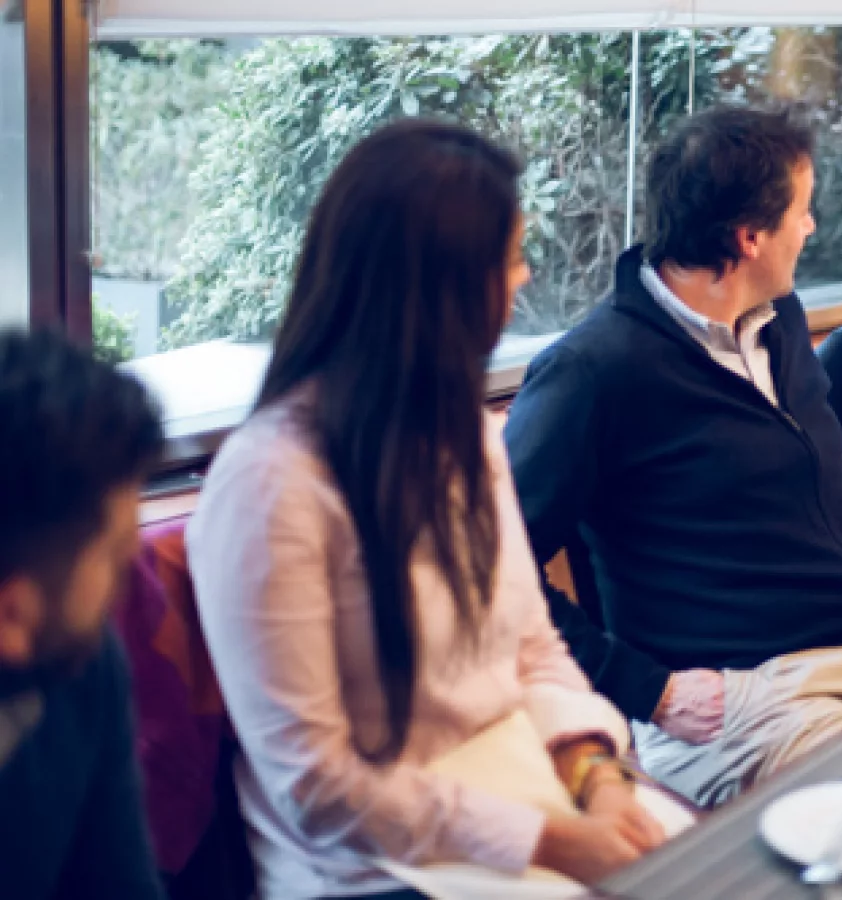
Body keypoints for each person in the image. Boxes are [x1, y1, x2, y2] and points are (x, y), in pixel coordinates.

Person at [186, 120, 662, 900]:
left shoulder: (464, 436)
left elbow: (533, 648)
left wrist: (595, 775)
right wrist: (549, 841)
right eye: (511, 257)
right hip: (366, 868)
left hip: (513, 786)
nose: (524, 277)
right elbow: (314, 784)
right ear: (444, 289)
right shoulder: (271, 483)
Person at [504, 105, 842, 810]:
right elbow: (494, 568)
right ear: (750, 237)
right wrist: (648, 690)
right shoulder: (592, 371)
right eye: (801, 212)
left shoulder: (780, 318)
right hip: (742, 699)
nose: (810, 227)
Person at [0, 328, 167, 900]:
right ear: (12, 615)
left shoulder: (85, 663)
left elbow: (121, 881)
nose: (132, 578)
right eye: (116, 559)